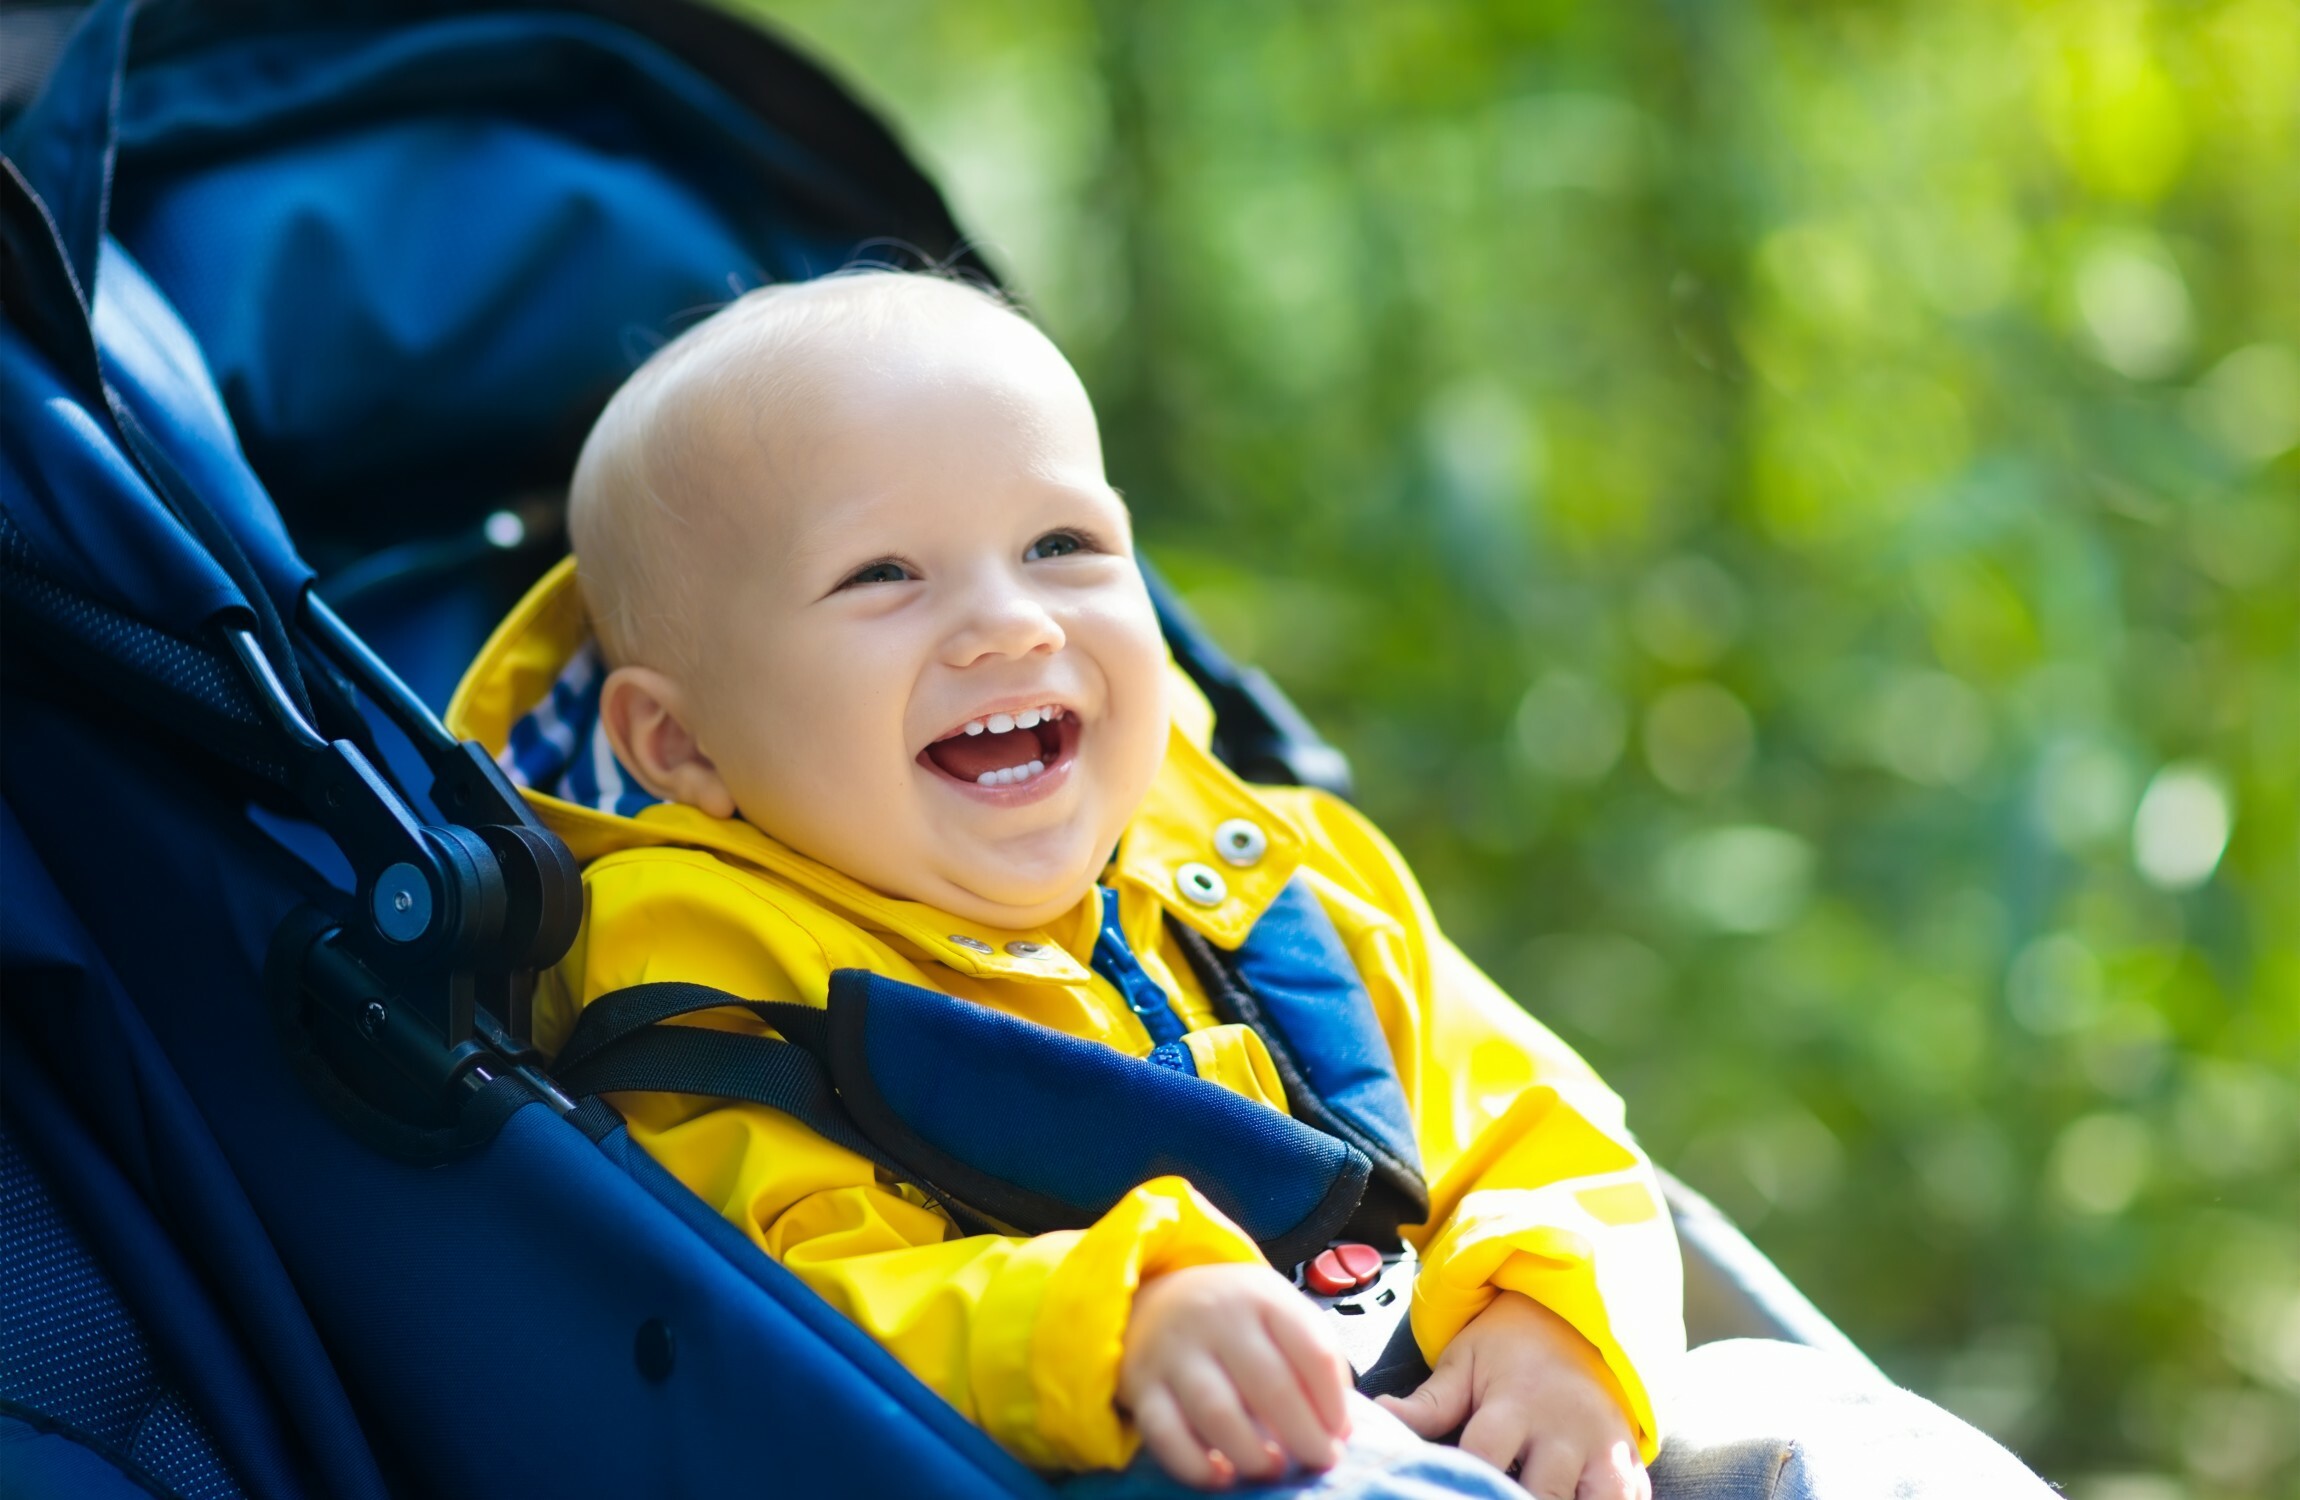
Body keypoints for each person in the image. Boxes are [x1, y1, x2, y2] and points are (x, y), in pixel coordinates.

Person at [445, 270, 2051, 1499]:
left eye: (1065, 546)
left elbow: (1530, 1118)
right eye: (886, 576)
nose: (1012, 624)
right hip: (1138, 1445)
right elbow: (807, 1307)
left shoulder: (1266, 864)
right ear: (682, 742)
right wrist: (1120, 1321)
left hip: (1464, 1376)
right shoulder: (712, 992)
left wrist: (1561, 1315)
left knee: (1846, 1441)